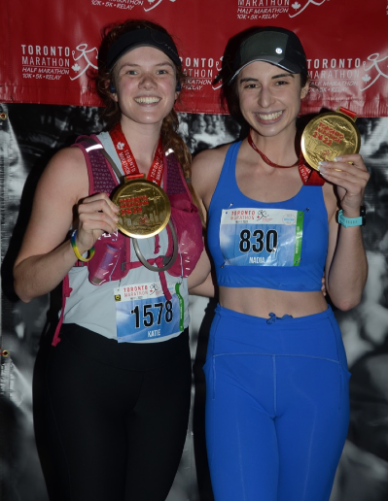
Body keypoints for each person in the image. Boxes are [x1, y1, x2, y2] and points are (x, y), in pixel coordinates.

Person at [13, 19, 203, 501]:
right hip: (89, 370)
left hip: (167, 371)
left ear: (176, 87)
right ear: (111, 88)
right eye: (131, 72)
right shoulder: (75, 165)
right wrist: (77, 243)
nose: (147, 84)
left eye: (160, 72)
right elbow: (24, 283)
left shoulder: (183, 168)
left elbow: (194, 276)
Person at [189, 26, 370, 501]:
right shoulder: (208, 170)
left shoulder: (332, 174)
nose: (265, 97)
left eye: (281, 81)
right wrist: (237, 285)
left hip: (312, 363)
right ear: (235, 92)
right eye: (251, 83)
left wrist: (351, 208)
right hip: (234, 359)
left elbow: (347, 294)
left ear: (305, 87)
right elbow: (192, 275)